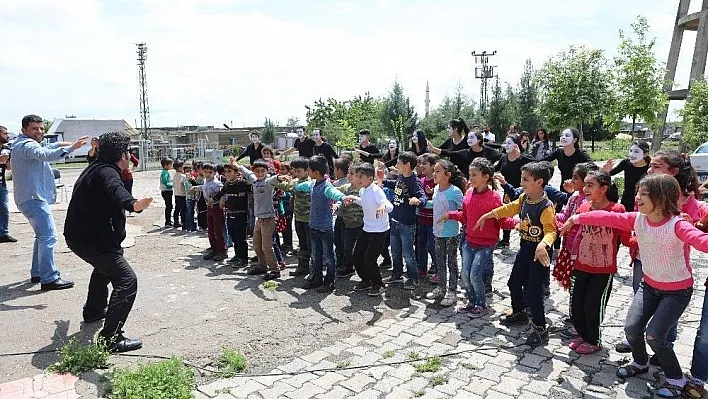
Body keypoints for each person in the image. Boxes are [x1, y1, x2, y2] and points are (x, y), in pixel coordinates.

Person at [560, 174, 708, 398]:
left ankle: (675, 377)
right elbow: (605, 218)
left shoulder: (677, 225)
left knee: (655, 336)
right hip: (648, 286)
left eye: (643, 194)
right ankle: (640, 362)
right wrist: (576, 219)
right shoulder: (638, 219)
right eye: (637, 192)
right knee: (631, 329)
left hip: (676, 292)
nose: (636, 197)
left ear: (660, 198)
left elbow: (701, 241)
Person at [64, 131, 153, 352]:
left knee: (103, 270)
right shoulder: (107, 172)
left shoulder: (96, 166)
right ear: (122, 154)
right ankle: (111, 338)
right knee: (126, 280)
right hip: (93, 241)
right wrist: (133, 204)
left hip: (83, 237)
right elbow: (116, 191)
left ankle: (93, 311)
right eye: (128, 153)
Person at [475, 162, 556, 346]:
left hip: (539, 254)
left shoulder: (545, 206)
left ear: (539, 182)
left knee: (533, 293)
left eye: (526, 179)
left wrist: (543, 244)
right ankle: (519, 313)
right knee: (513, 283)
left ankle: (540, 328)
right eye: (522, 179)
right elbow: (509, 208)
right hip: (525, 249)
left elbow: (551, 231)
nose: (522, 182)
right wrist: (488, 215)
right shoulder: (524, 198)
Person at [11, 114, 87, 289]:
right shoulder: (27, 145)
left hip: (29, 198)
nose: (39, 131)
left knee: (42, 236)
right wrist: (71, 148)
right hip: (33, 199)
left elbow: (47, 147)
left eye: (41, 128)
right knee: (48, 237)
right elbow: (44, 154)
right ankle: (49, 278)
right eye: (34, 129)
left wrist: (65, 144)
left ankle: (38, 273)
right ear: (24, 130)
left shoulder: (24, 144)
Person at [562, 170, 630, 355]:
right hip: (580, 265)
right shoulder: (583, 207)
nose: (585, 188)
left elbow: (625, 237)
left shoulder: (617, 210)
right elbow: (573, 231)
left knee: (592, 306)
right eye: (585, 185)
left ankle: (594, 339)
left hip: (603, 269)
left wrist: (637, 246)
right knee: (576, 306)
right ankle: (583, 335)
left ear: (604, 188)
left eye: (590, 185)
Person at [448, 158, 514, 318]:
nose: (470, 178)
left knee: (475, 275)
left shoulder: (494, 198)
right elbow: (465, 216)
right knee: (464, 274)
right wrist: (450, 215)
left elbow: (501, 220)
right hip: (469, 241)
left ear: (486, 176)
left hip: (486, 245)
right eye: (470, 174)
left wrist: (517, 223)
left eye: (474, 174)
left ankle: (481, 304)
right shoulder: (469, 193)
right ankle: (471, 302)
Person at [294, 155, 348, 292]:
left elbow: (335, 193)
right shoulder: (312, 184)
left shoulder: (326, 186)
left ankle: (330, 281)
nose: (308, 172)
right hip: (313, 227)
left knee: (329, 257)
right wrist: (294, 184)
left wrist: (343, 198)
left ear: (315, 172)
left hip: (325, 229)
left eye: (309, 170)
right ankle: (316, 277)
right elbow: (302, 186)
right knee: (315, 255)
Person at [379, 151, 427, 289]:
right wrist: (384, 181)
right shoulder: (401, 177)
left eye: (399, 163)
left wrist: (418, 200)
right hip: (395, 221)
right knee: (395, 251)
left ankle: (413, 278)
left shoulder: (415, 181)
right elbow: (396, 184)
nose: (396, 165)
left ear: (407, 165)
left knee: (408, 254)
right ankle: (397, 274)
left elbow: (422, 197)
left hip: (407, 225)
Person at [423, 159, 464, 306]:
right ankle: (441, 287)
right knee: (439, 262)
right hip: (437, 232)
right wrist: (422, 203)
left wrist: (451, 215)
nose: (434, 174)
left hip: (451, 234)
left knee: (451, 263)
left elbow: (465, 209)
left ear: (447, 174)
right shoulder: (436, 189)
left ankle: (452, 291)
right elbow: (434, 204)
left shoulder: (455, 191)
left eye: (437, 171)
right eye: (434, 171)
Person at [239, 160, 289, 280]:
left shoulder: (267, 182)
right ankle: (262, 266)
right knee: (256, 245)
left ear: (267, 171)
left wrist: (280, 177)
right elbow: (246, 172)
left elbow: (274, 179)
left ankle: (275, 270)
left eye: (263, 171)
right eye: (257, 171)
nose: (260, 173)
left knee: (267, 246)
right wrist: (237, 165)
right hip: (259, 219)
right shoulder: (254, 180)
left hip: (268, 219)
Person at [552, 162, 597, 290]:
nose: (572, 180)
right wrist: (552, 214)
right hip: (568, 246)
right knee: (572, 287)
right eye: (572, 177)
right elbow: (565, 215)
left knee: (578, 285)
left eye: (576, 177)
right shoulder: (574, 196)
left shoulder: (589, 202)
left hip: (580, 250)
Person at [494, 134, 534, 248]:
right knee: (507, 215)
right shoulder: (504, 158)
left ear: (516, 145)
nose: (506, 145)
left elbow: (537, 164)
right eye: (505, 143)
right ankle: (506, 240)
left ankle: (528, 239)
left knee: (525, 216)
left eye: (509, 143)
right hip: (507, 190)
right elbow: (496, 168)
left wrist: (521, 157)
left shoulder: (523, 158)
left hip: (523, 191)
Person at [333, 162, 364, 278]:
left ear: (360, 176)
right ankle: (348, 267)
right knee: (346, 248)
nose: (349, 176)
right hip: (348, 224)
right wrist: (337, 205)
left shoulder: (362, 190)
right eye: (348, 173)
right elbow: (340, 198)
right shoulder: (346, 188)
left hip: (361, 224)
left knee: (359, 249)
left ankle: (360, 269)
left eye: (352, 174)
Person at [428, 130, 502, 178]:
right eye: (468, 138)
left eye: (472, 137)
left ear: (479, 139)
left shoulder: (488, 151)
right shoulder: (465, 152)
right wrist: (433, 149)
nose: (469, 140)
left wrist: (493, 168)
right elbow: (450, 153)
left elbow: (502, 156)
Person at [603, 140, 650, 212]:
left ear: (645, 154)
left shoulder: (650, 166)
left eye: (636, 152)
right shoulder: (626, 163)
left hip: (644, 199)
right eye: (631, 151)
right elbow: (609, 174)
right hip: (627, 198)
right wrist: (606, 171)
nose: (632, 154)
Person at [217, 163, 250, 266]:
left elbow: (254, 183)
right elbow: (220, 194)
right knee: (234, 236)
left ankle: (244, 259)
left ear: (237, 173)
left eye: (230, 171)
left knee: (241, 238)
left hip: (241, 215)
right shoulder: (227, 184)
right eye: (225, 172)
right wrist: (212, 199)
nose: (227, 174)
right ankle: (237, 255)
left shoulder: (243, 184)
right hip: (229, 214)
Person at [544, 127, 592, 194]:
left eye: (567, 135)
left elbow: (592, 166)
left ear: (574, 140)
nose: (563, 137)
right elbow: (544, 160)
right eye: (562, 135)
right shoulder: (559, 152)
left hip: (578, 189)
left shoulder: (581, 154)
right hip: (564, 186)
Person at [416, 153, 439, 279]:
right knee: (421, 245)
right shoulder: (421, 180)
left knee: (432, 246)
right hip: (422, 219)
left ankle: (437, 269)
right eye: (421, 163)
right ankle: (422, 268)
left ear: (433, 166)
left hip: (433, 221)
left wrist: (431, 194)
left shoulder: (437, 182)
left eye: (425, 163)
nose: (421, 166)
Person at [199, 163, 227, 261]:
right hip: (209, 208)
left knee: (217, 230)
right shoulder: (205, 181)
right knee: (210, 229)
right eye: (205, 172)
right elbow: (203, 188)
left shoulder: (217, 183)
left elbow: (224, 194)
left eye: (210, 172)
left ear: (215, 173)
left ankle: (222, 251)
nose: (207, 174)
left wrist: (218, 201)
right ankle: (214, 249)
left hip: (217, 207)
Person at [0, 125, 16, 243]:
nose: (8, 135)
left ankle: (3, 233)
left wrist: (7, 162)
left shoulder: (6, 148)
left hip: (2, 184)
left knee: (4, 208)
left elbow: (9, 168)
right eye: (5, 133)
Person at [159, 158, 174, 227]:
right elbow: (165, 182)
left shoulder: (166, 172)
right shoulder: (164, 173)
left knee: (170, 206)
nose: (171, 166)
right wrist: (173, 185)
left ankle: (169, 220)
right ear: (165, 165)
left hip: (168, 191)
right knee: (169, 206)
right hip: (166, 192)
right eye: (170, 164)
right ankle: (167, 222)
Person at [172, 161, 187, 229]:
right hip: (182, 195)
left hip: (176, 194)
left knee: (177, 208)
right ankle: (184, 223)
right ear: (180, 168)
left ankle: (176, 222)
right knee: (183, 210)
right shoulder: (183, 176)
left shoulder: (175, 175)